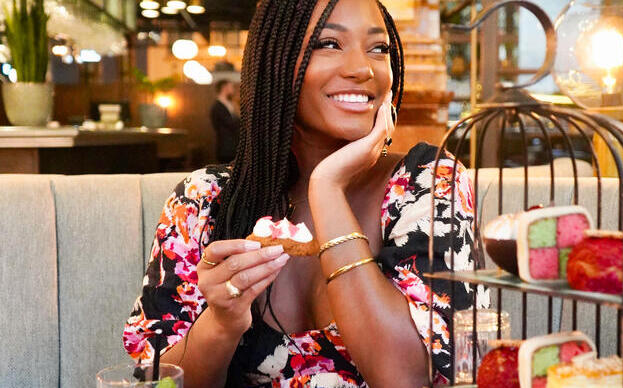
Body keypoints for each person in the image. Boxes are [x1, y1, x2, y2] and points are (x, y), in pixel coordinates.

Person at [123, 1, 487, 387]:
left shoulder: (427, 186)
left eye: (378, 48)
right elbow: (159, 380)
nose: (362, 68)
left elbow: (409, 378)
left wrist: (327, 187)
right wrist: (221, 322)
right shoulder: (202, 202)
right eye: (329, 43)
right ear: (274, 63)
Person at [210, 79, 241, 163]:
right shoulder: (217, 106)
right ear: (224, 88)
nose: (233, 89)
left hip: (233, 146)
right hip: (226, 148)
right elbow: (230, 124)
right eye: (231, 87)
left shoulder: (230, 103)